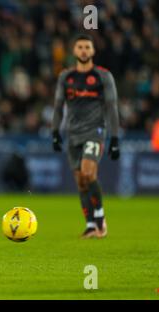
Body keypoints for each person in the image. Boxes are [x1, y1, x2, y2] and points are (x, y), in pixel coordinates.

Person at [52, 34, 120, 239]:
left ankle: (100, 219)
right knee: (81, 181)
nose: (83, 50)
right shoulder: (66, 77)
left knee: (89, 173)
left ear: (93, 51)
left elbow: (112, 107)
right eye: (80, 47)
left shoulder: (103, 76)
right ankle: (90, 225)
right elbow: (57, 107)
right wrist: (55, 132)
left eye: (87, 47)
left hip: (95, 131)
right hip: (73, 134)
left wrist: (115, 138)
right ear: (74, 51)